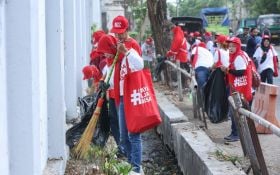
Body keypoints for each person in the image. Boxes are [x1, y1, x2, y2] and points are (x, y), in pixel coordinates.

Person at [110, 15, 143, 175]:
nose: (118, 36)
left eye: (120, 33)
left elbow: (140, 65)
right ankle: (130, 164)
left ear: (127, 30)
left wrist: (126, 51)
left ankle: (136, 168)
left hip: (132, 95)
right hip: (121, 96)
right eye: (116, 33)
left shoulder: (132, 45)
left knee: (133, 133)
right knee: (123, 136)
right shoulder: (118, 45)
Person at [220, 37, 253, 142]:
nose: (231, 48)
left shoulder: (238, 57)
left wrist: (227, 69)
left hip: (241, 89)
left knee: (235, 111)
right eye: (229, 46)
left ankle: (236, 134)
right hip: (244, 88)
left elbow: (241, 72)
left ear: (238, 46)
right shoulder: (241, 54)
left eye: (233, 46)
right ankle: (244, 134)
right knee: (242, 113)